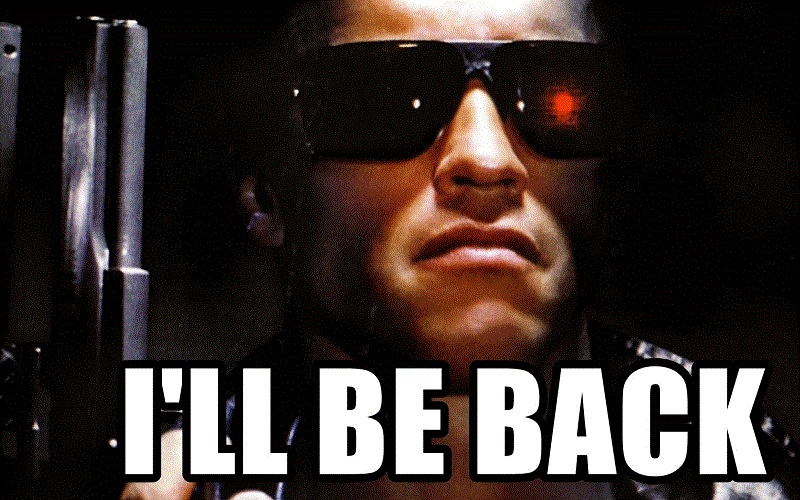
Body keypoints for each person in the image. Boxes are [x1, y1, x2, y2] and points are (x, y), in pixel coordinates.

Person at [122, 0, 797, 499]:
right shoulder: (167, 469)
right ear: (267, 192)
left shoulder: (738, 478)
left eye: (557, 94)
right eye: (384, 93)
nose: (484, 159)